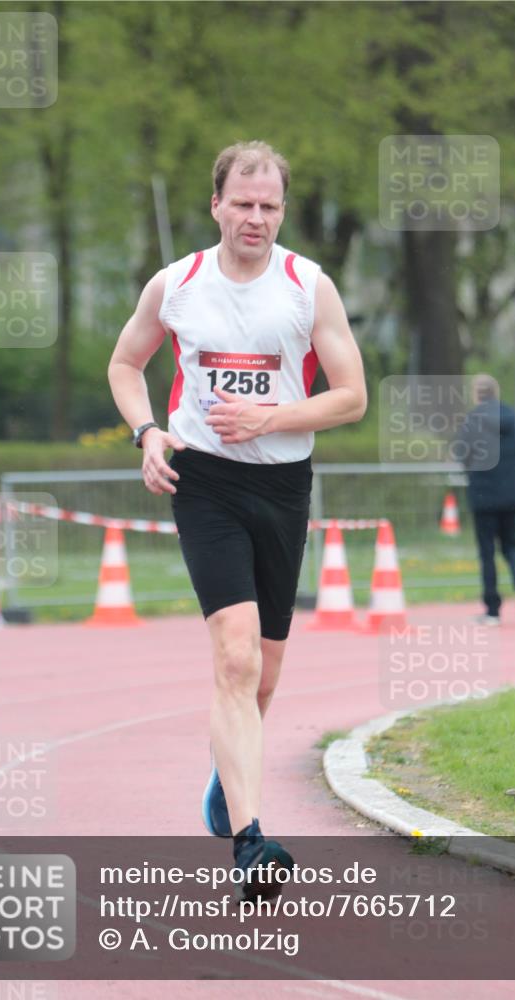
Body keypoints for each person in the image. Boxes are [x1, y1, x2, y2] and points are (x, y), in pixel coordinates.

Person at [108, 140, 367, 899]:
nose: (254, 218)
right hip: (204, 482)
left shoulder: (306, 286)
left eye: (268, 206)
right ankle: (251, 840)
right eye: (241, 203)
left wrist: (272, 415)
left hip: (283, 485)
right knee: (234, 657)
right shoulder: (177, 284)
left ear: (280, 212)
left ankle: (229, 779)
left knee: (266, 671)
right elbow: (126, 364)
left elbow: (350, 396)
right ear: (215, 204)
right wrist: (147, 433)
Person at [461, 373, 515, 625]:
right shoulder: (512, 418)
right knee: (511, 547)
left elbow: (463, 454)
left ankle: (492, 609)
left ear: (476, 394)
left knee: (487, 553)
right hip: (510, 496)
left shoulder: (472, 420)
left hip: (484, 496)